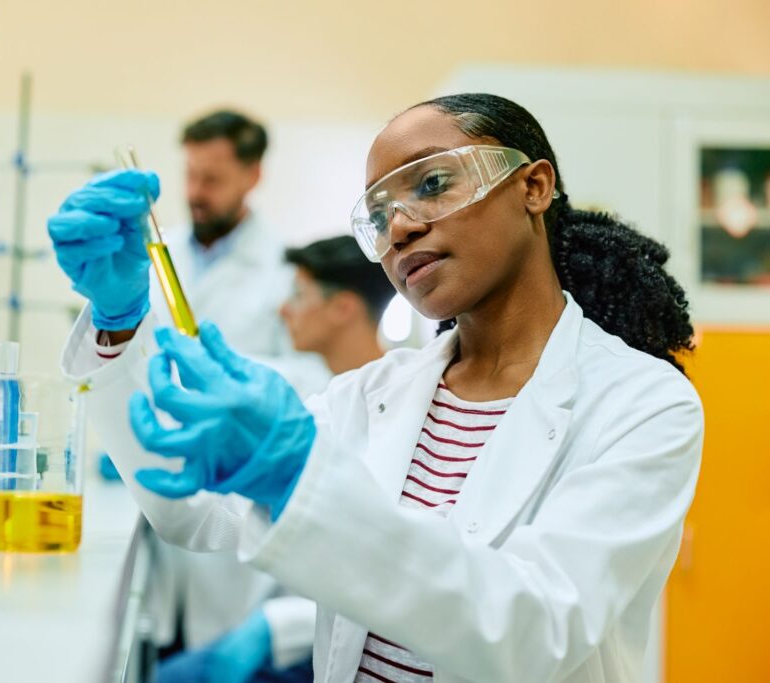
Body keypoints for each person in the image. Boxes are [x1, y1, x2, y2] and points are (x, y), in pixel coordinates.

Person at [52, 93, 703, 682]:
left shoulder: (644, 405)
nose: (400, 229)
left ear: (533, 186)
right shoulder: (374, 394)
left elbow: (533, 633)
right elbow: (188, 505)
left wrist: (301, 477)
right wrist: (119, 326)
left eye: (433, 182)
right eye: (381, 213)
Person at [50, 109, 326, 680]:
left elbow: (304, 378)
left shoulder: (283, 272)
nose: (196, 193)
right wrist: (120, 325)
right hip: (164, 512)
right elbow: (123, 347)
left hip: (234, 549)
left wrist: (214, 385)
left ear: (253, 176)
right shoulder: (156, 250)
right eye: (191, 175)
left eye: (213, 179)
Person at [279, 236, 395, 375]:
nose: (282, 310)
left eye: (298, 294)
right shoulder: (322, 390)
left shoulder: (405, 389)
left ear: (342, 308)